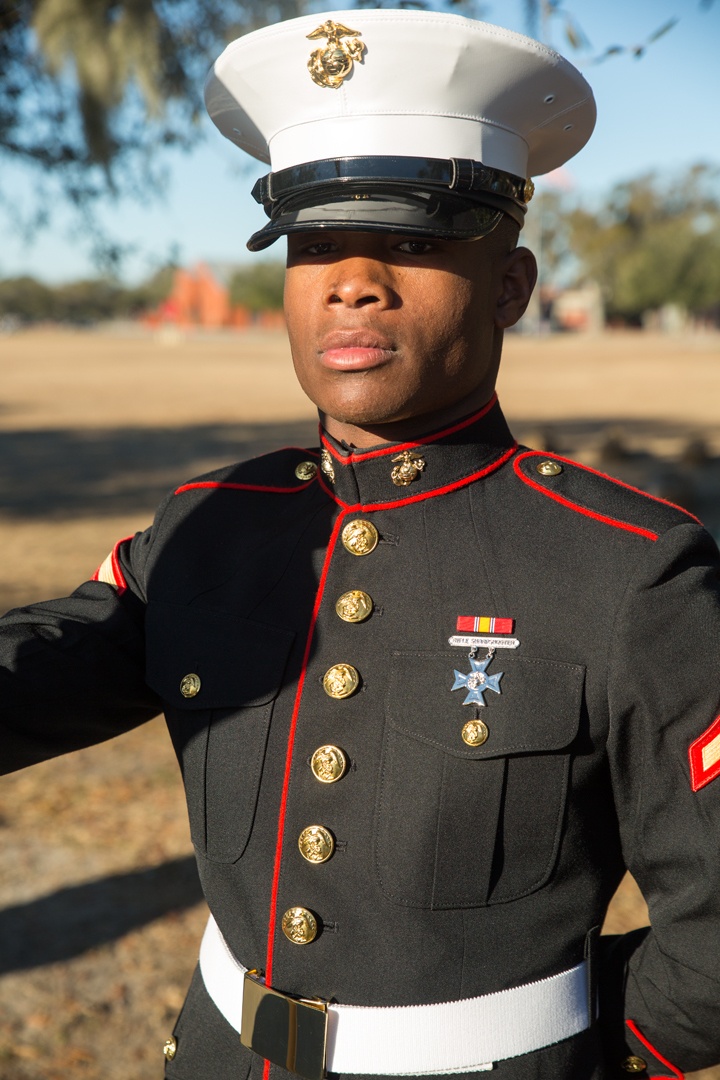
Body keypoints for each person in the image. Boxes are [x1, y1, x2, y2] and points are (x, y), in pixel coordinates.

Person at [2, 8, 720, 1080]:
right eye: (317, 245)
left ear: (512, 288)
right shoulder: (214, 522)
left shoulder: (628, 569)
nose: (353, 281)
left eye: (417, 243)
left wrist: (562, 1048)